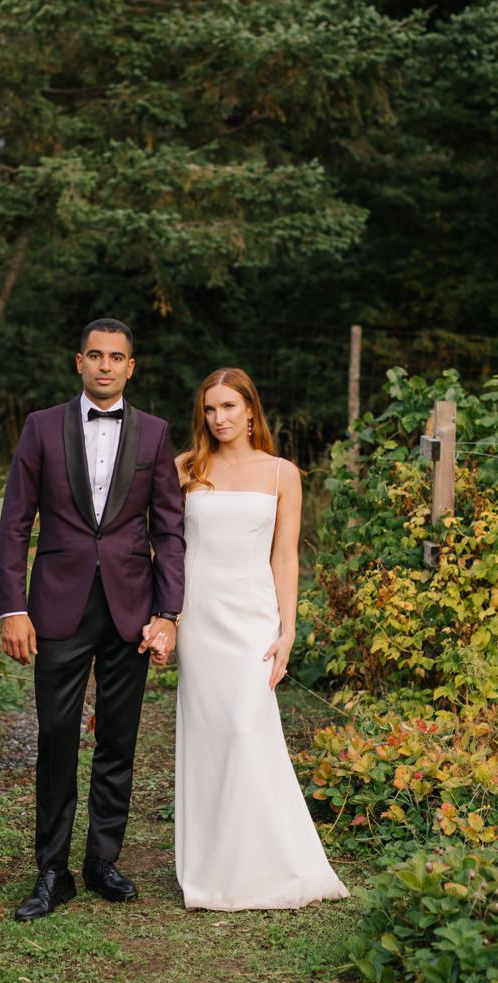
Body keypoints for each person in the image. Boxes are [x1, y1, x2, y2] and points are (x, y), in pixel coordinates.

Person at [0, 318, 186, 922]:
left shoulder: (154, 435)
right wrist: (13, 605)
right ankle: (53, 870)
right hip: (56, 605)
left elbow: (169, 531)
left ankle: (103, 860)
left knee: (119, 739)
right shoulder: (41, 427)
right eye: (95, 356)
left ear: (132, 367)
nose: (106, 366)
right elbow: (15, 522)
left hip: (130, 609)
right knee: (55, 738)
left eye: (117, 358)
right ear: (78, 362)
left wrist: (168, 611)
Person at [169, 367, 349, 911]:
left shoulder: (282, 473)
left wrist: (287, 628)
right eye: (209, 409)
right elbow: (164, 547)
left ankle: (264, 863)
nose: (219, 419)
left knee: (248, 729)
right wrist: (166, 618)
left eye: (229, 407)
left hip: (252, 618)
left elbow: (285, 556)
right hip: (198, 617)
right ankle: (212, 866)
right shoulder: (184, 468)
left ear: (251, 410)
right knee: (210, 736)